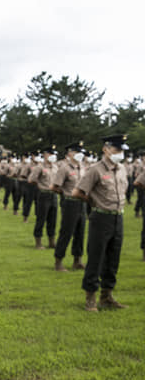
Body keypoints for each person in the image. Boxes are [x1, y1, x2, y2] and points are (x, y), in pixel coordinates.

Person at [72, 134, 128, 312]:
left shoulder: (121, 169)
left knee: (113, 258)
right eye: (116, 150)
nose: (119, 153)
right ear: (105, 149)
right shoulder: (95, 170)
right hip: (101, 217)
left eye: (121, 150)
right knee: (96, 257)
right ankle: (90, 297)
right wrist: (94, 202)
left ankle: (107, 296)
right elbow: (77, 192)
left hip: (118, 216)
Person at [51, 141, 87, 272]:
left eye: (81, 152)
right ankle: (58, 261)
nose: (80, 155)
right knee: (66, 232)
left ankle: (77, 260)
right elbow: (54, 186)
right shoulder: (64, 168)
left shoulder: (82, 167)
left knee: (80, 232)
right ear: (70, 153)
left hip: (81, 202)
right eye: (77, 152)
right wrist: (66, 194)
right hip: (70, 202)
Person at [28, 146, 59, 249]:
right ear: (45, 155)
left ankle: (51, 242)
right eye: (50, 154)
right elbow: (31, 179)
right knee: (41, 218)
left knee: (52, 219)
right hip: (43, 194)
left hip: (54, 195)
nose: (53, 156)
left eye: (53, 154)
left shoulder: (55, 167)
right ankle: (38, 242)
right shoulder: (40, 167)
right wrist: (40, 185)